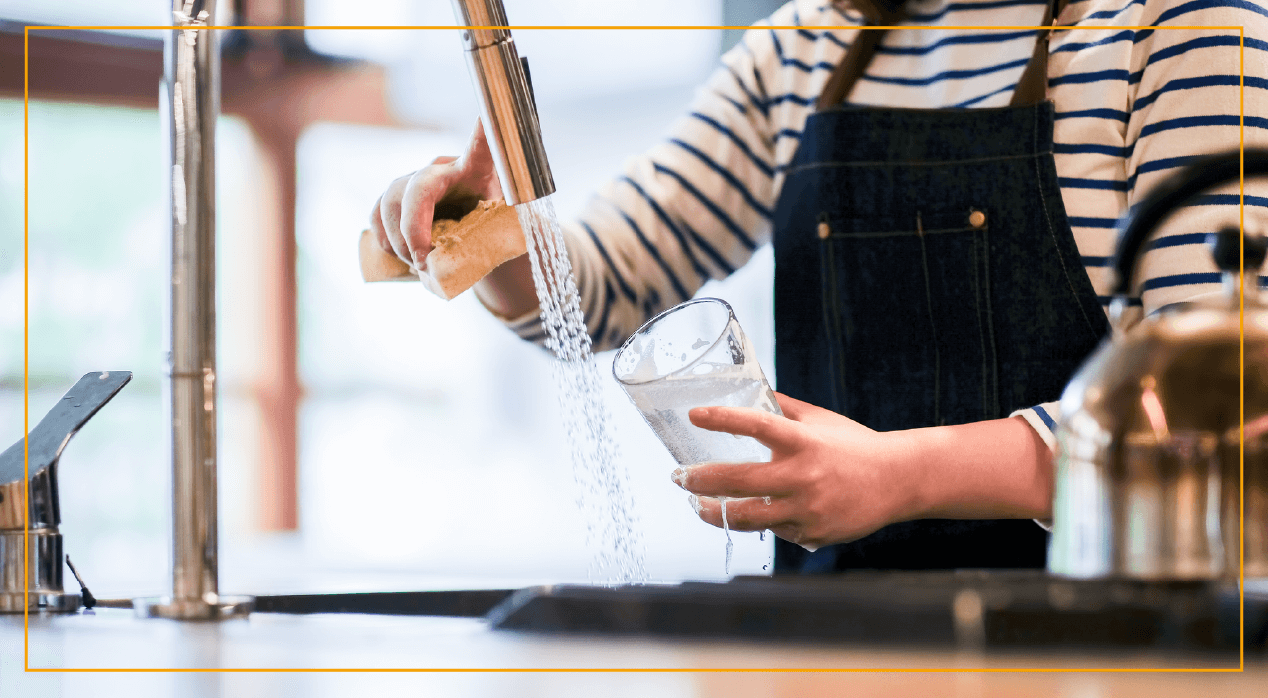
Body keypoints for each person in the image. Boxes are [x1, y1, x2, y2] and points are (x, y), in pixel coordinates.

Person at [369, 0, 1268, 573]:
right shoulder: (807, 47)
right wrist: (484, 231)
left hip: (1091, 641)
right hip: (829, 646)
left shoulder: (1184, 34)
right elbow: (600, 285)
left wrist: (902, 476)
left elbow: (1211, 411)